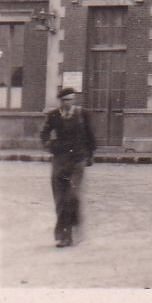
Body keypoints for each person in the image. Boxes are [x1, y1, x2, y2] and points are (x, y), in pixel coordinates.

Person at [39, 86, 95, 248]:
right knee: (60, 199)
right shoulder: (53, 116)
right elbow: (44, 134)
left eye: (70, 100)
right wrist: (49, 145)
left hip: (78, 159)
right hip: (60, 159)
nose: (67, 103)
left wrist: (90, 155)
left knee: (73, 196)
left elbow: (91, 137)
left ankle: (75, 226)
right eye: (64, 100)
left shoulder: (82, 114)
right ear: (60, 101)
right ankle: (64, 236)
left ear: (74, 100)